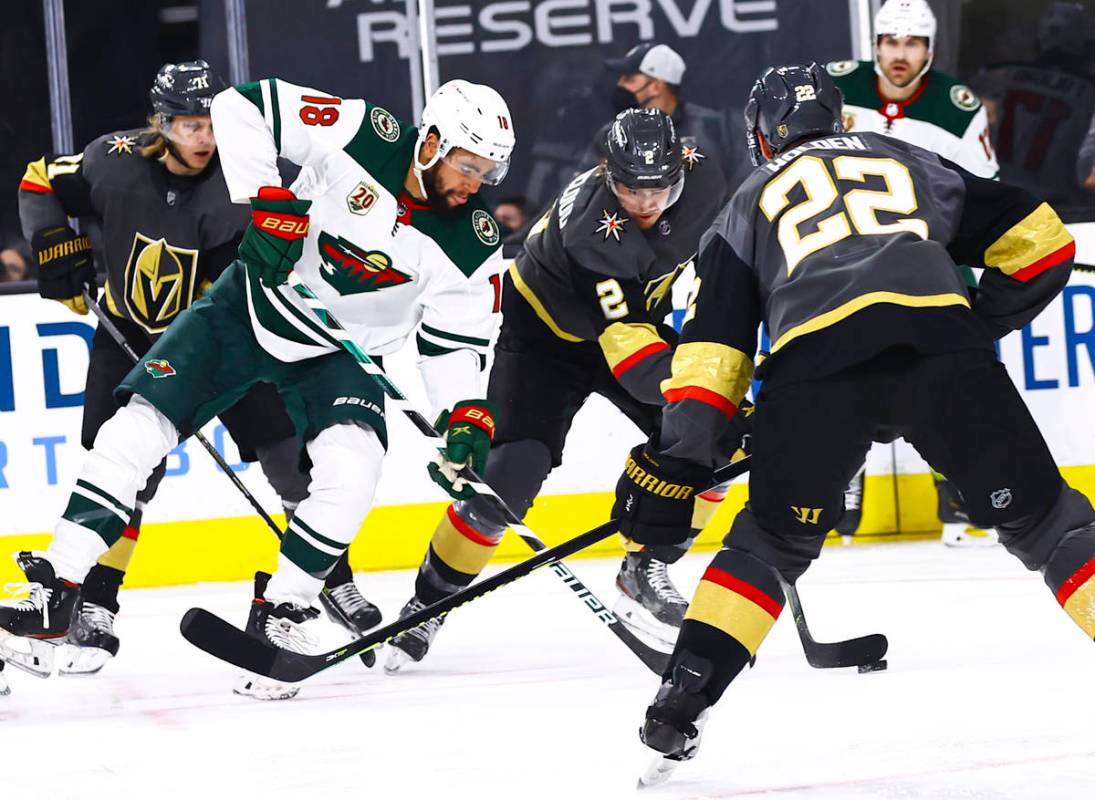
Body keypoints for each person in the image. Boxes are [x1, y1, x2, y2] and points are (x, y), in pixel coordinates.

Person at [612, 63, 1093, 783]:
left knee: (769, 543)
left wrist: (686, 459)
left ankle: (681, 700)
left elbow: (713, 358)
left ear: (759, 136)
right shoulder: (898, 156)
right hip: (942, 353)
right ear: (836, 120)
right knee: (1052, 526)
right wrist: (971, 323)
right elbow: (1043, 239)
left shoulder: (745, 202)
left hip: (814, 375)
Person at [0, 75, 514, 700]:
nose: (474, 185)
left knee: (352, 472)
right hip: (250, 308)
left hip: (339, 355)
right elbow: (241, 105)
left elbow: (457, 340)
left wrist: (463, 417)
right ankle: (58, 584)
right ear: (429, 143)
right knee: (133, 429)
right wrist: (272, 202)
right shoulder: (362, 133)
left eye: (488, 173)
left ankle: (286, 612)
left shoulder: (474, 239)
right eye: (467, 166)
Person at [8, 60, 372, 678]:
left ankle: (329, 581)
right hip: (128, 330)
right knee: (123, 471)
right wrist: (52, 241)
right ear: (161, 122)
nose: (202, 135)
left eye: (210, 122)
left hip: (229, 335)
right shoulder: (112, 160)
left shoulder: (251, 170)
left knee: (288, 457)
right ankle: (95, 607)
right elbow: (40, 178)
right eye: (187, 123)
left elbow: (309, 226)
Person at [385, 107, 740, 672]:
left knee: (722, 446)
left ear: (681, 167)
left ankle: (647, 564)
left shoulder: (707, 178)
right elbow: (637, 366)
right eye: (629, 187)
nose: (646, 203)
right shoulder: (589, 232)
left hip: (638, 325)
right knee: (504, 482)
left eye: (660, 187)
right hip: (546, 339)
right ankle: (428, 603)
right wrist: (718, 389)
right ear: (606, 171)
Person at [826, 0, 1000, 545]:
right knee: (834, 371)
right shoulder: (833, 90)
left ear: (929, 50)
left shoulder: (958, 107)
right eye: (890, 42)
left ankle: (960, 491)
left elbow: (982, 192)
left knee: (956, 375)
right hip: (844, 262)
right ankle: (838, 491)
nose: (899, 55)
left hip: (932, 262)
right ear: (874, 45)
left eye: (912, 44)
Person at [579, 42, 750, 194]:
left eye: (629, 79)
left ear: (656, 86)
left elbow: (743, 184)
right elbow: (582, 190)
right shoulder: (611, 134)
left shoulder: (713, 128)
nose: (620, 84)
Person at [973, 2, 1095, 207]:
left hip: (994, 197)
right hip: (1056, 207)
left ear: (1038, 42)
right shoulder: (1090, 93)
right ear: (1087, 46)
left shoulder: (996, 76)